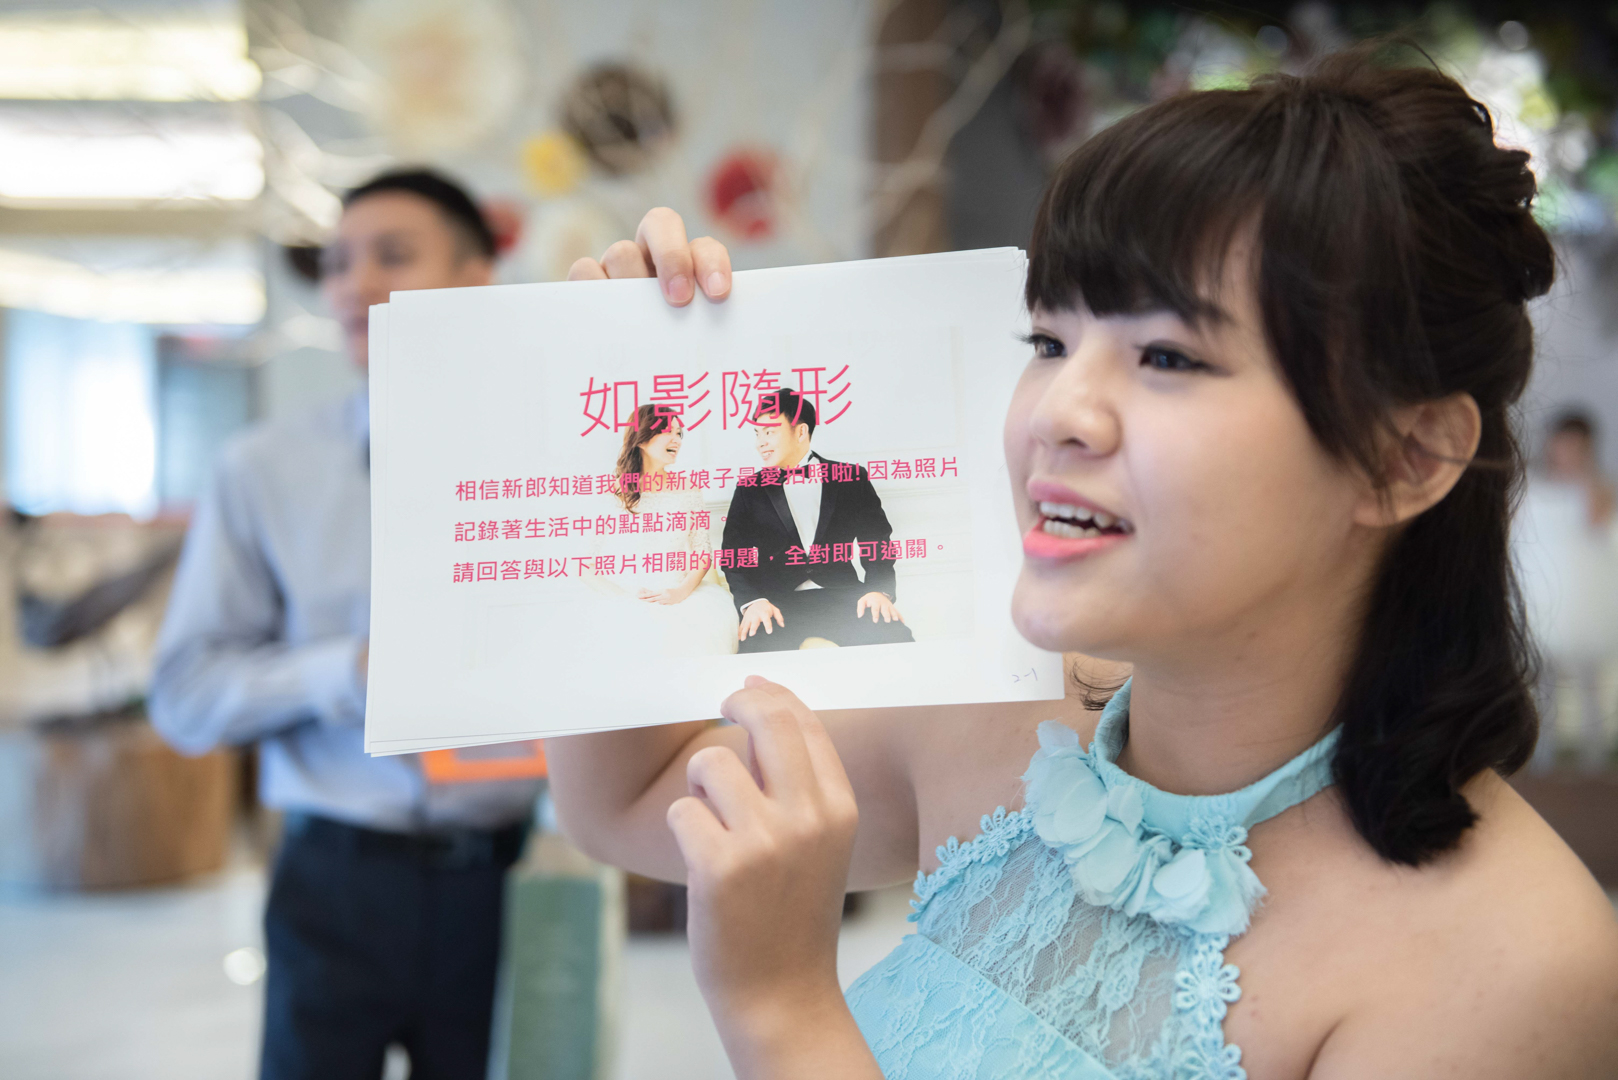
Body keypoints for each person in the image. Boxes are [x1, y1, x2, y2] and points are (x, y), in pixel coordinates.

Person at [547, 45, 1618, 1080]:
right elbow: (630, 798)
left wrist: (782, 1013)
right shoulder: (1005, 716)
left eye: (1167, 356)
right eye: (1050, 342)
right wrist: (623, 420)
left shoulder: (1513, 972)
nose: (1058, 411)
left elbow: (761, 980)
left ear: (1406, 457)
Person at [150, 169, 544, 1080]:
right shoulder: (262, 470)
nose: (352, 285)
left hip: (512, 884)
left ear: (476, 282)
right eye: (336, 263)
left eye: (392, 256)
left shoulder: (555, 464)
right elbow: (184, 696)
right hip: (334, 881)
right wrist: (347, 671)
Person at [720, 388, 915, 652]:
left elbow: (877, 542)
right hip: (776, 603)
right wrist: (753, 601)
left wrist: (878, 591)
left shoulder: (851, 478)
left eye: (769, 432)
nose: (760, 443)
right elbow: (733, 556)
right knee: (756, 656)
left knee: (898, 643)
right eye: (757, 434)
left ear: (801, 431)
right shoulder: (749, 489)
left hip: (845, 597)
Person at [585, 403, 738, 656]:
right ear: (642, 438)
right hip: (626, 599)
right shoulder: (610, 491)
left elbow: (702, 552)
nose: (676, 439)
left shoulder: (688, 489)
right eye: (668, 431)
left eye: (679, 433)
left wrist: (679, 592)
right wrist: (624, 599)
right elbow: (585, 565)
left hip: (681, 597)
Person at [1516, 409, 1618, 771]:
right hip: (1542, 596)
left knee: (1589, 679)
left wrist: (1585, 477)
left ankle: (1596, 758)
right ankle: (1541, 756)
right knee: (1542, 680)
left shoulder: (1597, 486)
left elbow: (1598, 521)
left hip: (1583, 597)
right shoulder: (1531, 484)